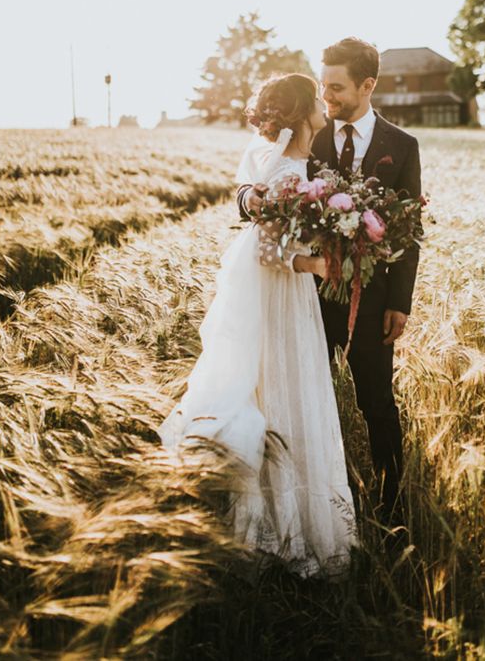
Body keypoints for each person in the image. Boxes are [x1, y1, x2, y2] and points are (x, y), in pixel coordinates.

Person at [159, 73, 357, 578]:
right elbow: (270, 252)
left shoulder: (297, 163)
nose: (323, 102)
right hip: (281, 292)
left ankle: (279, 514)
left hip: (286, 295)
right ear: (300, 112)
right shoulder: (288, 169)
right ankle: (281, 527)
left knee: (279, 388)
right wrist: (316, 265)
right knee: (283, 387)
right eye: (315, 96)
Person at [239, 38, 422, 526]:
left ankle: (392, 507)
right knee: (303, 402)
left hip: (375, 298)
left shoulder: (403, 146)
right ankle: (312, 505)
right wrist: (247, 201)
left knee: (378, 403)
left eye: (337, 87)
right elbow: (258, 177)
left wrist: (399, 303)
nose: (327, 96)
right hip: (307, 300)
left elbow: (411, 228)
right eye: (322, 85)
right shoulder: (309, 133)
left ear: (368, 85)